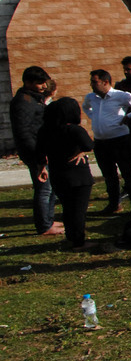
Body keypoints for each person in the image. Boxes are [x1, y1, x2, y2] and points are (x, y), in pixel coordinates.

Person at [83, 69, 131, 215]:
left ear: (105, 82)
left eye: (95, 82)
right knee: (109, 175)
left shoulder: (120, 96)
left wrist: (130, 115)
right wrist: (94, 117)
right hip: (101, 142)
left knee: (128, 174)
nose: (92, 85)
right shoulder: (91, 97)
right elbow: (85, 107)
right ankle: (114, 204)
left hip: (120, 141)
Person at [10, 66, 63, 236]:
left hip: (43, 150)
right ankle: (44, 225)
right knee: (43, 188)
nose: (43, 86)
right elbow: (24, 132)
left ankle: (48, 219)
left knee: (50, 187)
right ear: (28, 83)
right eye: (39, 83)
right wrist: (39, 156)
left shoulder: (33, 99)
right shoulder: (23, 102)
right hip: (36, 153)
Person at [36, 97, 93, 251]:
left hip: (57, 174)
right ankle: (79, 242)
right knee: (79, 210)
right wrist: (80, 151)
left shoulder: (45, 131)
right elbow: (89, 144)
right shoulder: (74, 130)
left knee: (67, 208)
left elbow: (39, 151)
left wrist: (42, 167)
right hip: (78, 175)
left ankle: (71, 236)